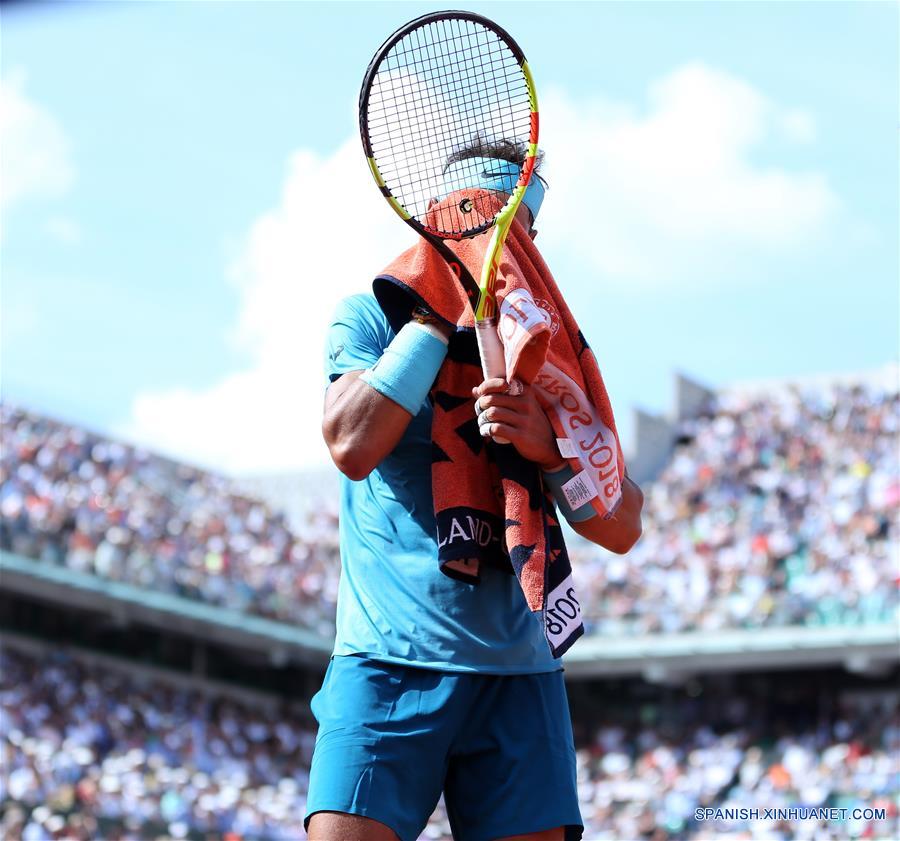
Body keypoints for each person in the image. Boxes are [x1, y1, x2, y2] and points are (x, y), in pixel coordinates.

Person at [305, 141, 644, 841]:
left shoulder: (546, 346)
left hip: (518, 671)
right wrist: (437, 315)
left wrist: (547, 449)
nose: (507, 246)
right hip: (388, 657)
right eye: (486, 222)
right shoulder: (371, 314)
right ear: (440, 221)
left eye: (522, 230)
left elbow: (622, 524)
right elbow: (350, 443)